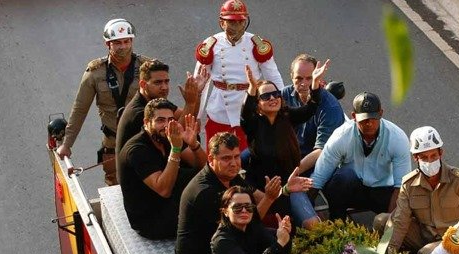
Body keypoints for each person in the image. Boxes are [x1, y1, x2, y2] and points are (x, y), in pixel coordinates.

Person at [176, 132, 310, 254]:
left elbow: (262, 198)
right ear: (211, 160)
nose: (234, 163)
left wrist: (285, 189)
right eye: (226, 158)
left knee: (278, 237)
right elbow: (245, 224)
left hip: (226, 241)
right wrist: (269, 199)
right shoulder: (205, 193)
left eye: (236, 157)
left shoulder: (229, 175)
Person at [57, 18, 151, 185]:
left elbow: (160, 103)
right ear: (107, 44)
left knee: (150, 186)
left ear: (132, 41)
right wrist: (67, 144)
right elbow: (80, 109)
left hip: (145, 138)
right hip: (113, 142)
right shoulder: (95, 73)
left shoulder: (147, 68)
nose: (123, 46)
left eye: (126, 41)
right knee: (115, 188)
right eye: (117, 43)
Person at [240, 61, 328, 228]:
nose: (272, 98)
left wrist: (315, 83)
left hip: (290, 184)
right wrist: (251, 89)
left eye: (276, 94)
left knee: (313, 225)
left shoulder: (287, 116)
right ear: (258, 104)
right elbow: (245, 114)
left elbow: (311, 108)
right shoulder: (253, 124)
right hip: (260, 189)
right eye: (266, 96)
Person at [374, 126, 459, 254]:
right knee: (382, 222)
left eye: (433, 156)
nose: (430, 162)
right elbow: (400, 221)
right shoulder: (409, 185)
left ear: (441, 153)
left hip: (457, 241)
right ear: (415, 158)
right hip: (426, 238)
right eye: (424, 157)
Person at [194, 0, 284, 150]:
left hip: (249, 109)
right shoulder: (211, 45)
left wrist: (285, 109)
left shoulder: (257, 44)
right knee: (217, 158)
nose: (237, 27)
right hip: (220, 109)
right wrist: (196, 115)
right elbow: (200, 85)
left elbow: (273, 77)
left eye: (240, 22)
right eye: (231, 22)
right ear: (222, 23)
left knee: (250, 157)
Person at [310, 92, 411, 220]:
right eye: (364, 120)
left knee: (407, 203)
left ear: (381, 114)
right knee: (343, 177)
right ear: (353, 116)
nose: (369, 123)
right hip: (353, 189)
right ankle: (336, 223)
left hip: (382, 190)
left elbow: (401, 186)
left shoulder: (397, 138)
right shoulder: (341, 136)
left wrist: (389, 224)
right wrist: (306, 212)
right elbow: (319, 178)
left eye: (373, 118)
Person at [117, 99, 201, 239]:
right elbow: (164, 190)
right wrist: (175, 149)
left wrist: (194, 145)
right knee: (208, 206)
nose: (166, 125)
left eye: (170, 120)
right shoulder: (137, 150)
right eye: (160, 120)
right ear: (146, 122)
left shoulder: (166, 137)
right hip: (151, 220)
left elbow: (203, 167)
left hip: (166, 202)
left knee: (211, 180)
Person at [116, 59, 210, 158]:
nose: (164, 87)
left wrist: (197, 94)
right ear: (143, 85)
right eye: (158, 83)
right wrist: (190, 103)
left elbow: (189, 120)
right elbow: (174, 135)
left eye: (166, 82)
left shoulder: (155, 100)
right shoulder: (138, 112)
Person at [281, 54, 346, 175]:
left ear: (318, 78)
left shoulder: (330, 107)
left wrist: (293, 173)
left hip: (315, 164)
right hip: (289, 156)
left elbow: (322, 151)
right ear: (291, 77)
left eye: (309, 78)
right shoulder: (284, 94)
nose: (304, 83)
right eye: (299, 78)